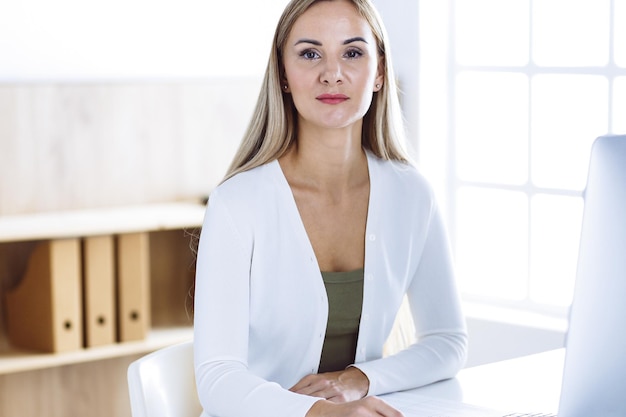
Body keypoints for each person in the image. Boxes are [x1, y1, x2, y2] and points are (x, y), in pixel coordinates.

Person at [193, 1, 468, 416]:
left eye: (353, 52)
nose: (332, 73)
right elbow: (217, 377)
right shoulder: (237, 204)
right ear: (283, 75)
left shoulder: (413, 195)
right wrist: (321, 413)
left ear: (379, 73)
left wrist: (359, 379)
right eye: (310, 53)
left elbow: (447, 341)